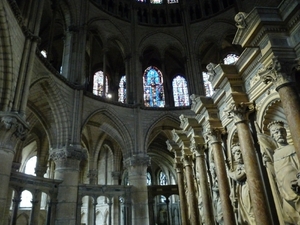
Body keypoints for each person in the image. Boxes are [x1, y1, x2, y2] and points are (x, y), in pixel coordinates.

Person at [267, 121, 300, 224]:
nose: (280, 134)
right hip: (284, 192)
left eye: (282, 131)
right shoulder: (275, 154)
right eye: (276, 133)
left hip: (296, 189)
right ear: (272, 136)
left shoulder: (293, 148)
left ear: (286, 133)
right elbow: (276, 174)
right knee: (289, 218)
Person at [228, 143, 255, 225]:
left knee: (251, 211)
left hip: (249, 191)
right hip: (241, 192)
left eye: (240, 152)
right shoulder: (238, 168)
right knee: (244, 215)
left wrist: (228, 172)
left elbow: (238, 177)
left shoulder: (247, 165)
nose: (239, 155)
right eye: (236, 153)